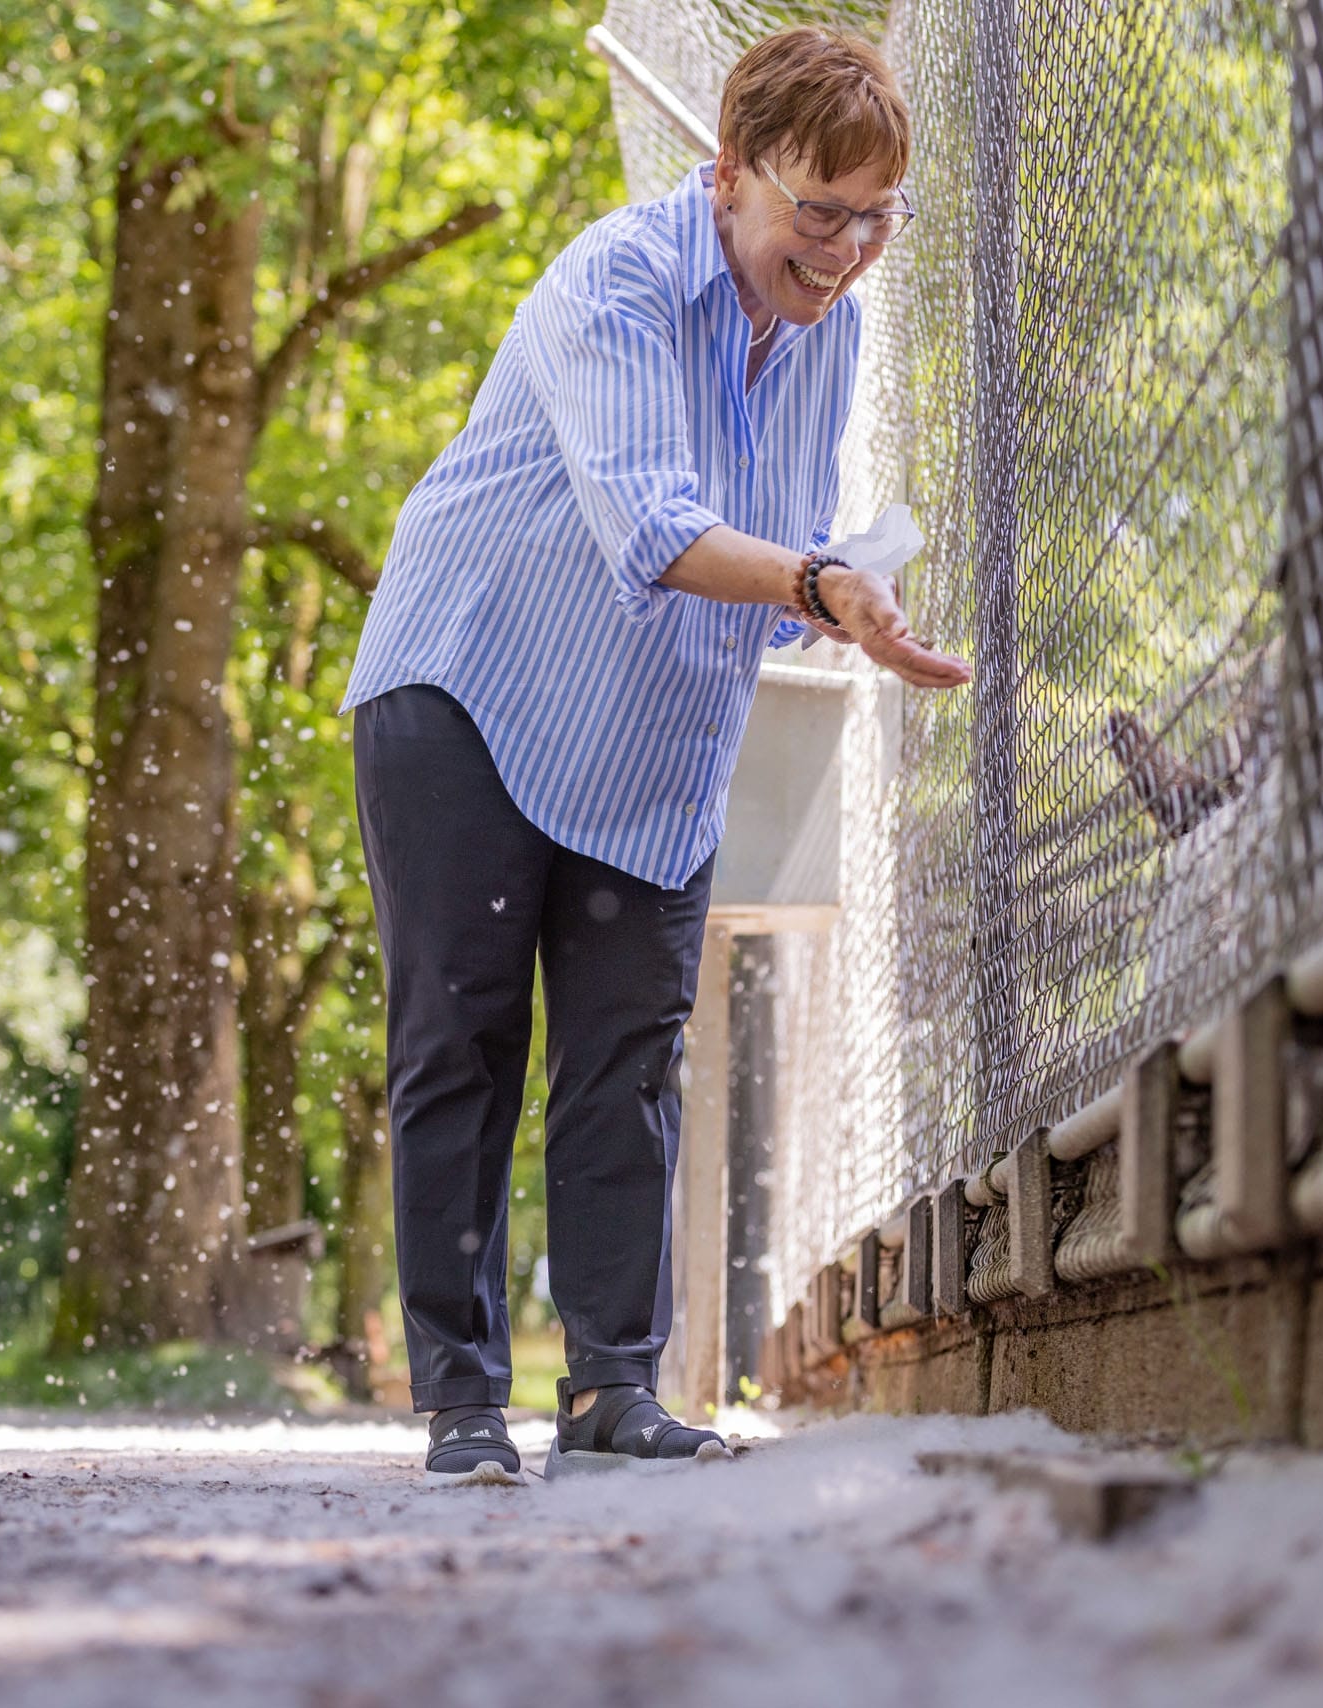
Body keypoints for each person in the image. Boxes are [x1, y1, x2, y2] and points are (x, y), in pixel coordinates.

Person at [339, 25, 972, 1484]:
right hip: (474, 687)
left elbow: (782, 545)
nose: (847, 250)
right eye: (819, 211)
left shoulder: (837, 330)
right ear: (729, 174)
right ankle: (458, 1403)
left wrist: (850, 604)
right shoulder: (614, 279)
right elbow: (655, 528)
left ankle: (611, 1391)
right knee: (466, 1031)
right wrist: (818, 585)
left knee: (626, 1058)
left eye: (877, 217)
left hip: (646, 735)